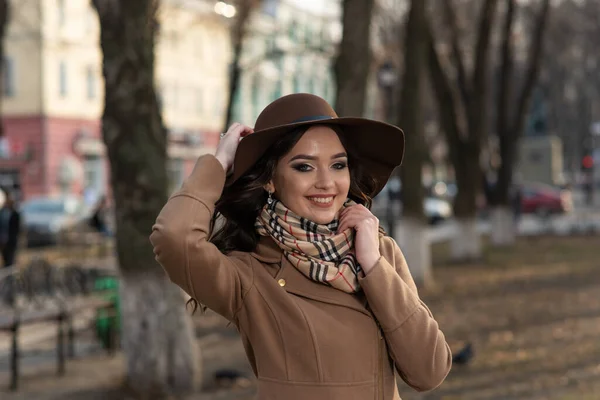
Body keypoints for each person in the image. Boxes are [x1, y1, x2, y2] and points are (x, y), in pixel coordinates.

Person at [150, 94, 452, 399]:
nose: (326, 182)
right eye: (304, 167)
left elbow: (429, 371)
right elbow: (173, 237)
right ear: (270, 180)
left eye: (338, 165)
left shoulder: (378, 250)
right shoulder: (251, 275)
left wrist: (373, 265)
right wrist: (218, 163)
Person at [0, 191, 21, 268]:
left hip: (11, 240)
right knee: (5, 259)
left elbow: (18, 228)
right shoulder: (2, 212)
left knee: (11, 259)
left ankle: (10, 275)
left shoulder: (15, 214)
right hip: (2, 240)